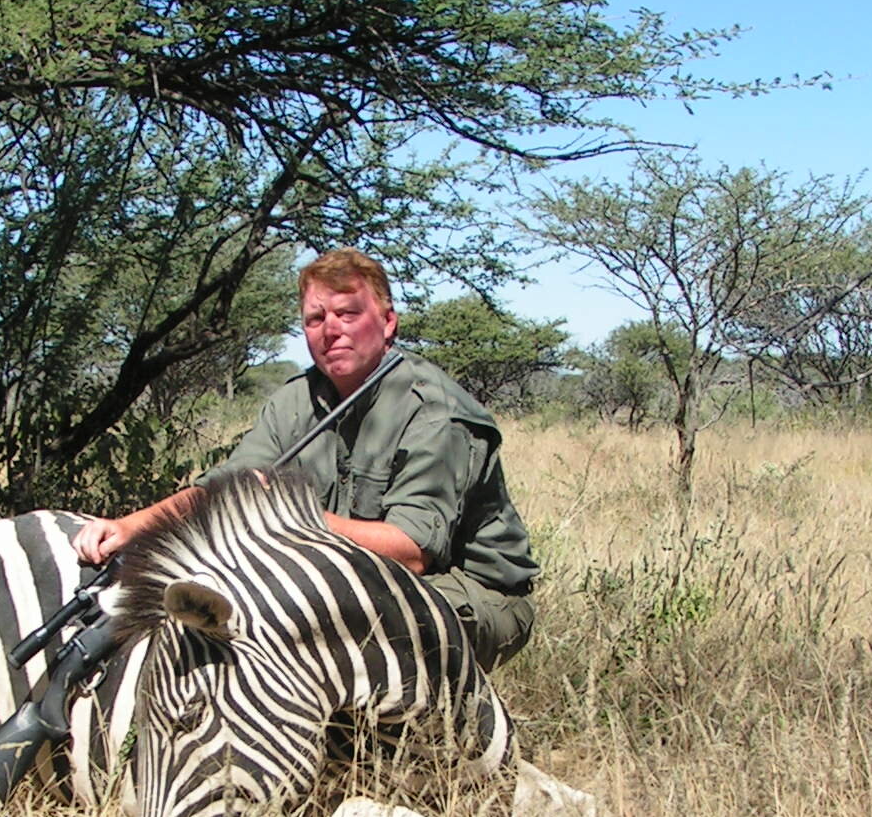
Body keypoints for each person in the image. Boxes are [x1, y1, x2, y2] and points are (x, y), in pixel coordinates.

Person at [73, 248, 539, 669]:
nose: (331, 329)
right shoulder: (294, 400)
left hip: (467, 595)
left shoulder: (435, 410)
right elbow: (224, 489)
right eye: (316, 319)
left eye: (348, 313)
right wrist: (131, 526)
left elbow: (411, 552)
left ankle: (455, 744)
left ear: (388, 321)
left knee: (320, 624)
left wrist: (288, 515)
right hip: (356, 575)